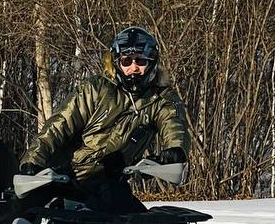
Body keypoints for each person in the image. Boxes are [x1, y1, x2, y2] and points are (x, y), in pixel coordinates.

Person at [18, 26, 189, 213]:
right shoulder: (95, 90)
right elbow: (58, 126)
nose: (133, 67)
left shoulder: (162, 98)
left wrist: (175, 150)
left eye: (140, 61)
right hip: (64, 176)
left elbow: (173, 125)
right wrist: (32, 161)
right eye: (126, 61)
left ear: (152, 62)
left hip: (109, 183)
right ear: (116, 62)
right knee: (22, 217)